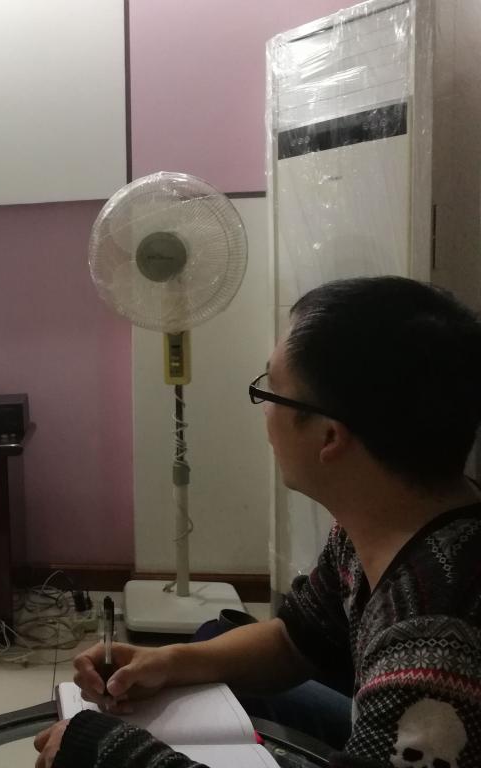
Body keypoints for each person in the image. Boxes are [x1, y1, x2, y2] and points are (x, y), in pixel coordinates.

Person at [35, 276, 481, 768]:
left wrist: (108, 751)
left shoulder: (433, 652)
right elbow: (297, 639)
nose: (265, 411)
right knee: (210, 644)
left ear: (330, 438)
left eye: (272, 391)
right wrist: (166, 662)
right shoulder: (385, 521)